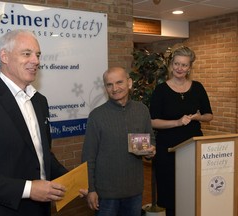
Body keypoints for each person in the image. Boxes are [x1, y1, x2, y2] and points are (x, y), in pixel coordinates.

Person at [0, 29, 86, 216]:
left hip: (41, 210)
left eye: (38, 55)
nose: (36, 61)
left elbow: (42, 155)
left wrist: (72, 181)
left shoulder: (40, 101)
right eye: (27, 54)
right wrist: (28, 189)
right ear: (4, 56)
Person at [82, 67, 156, 216]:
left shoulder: (142, 110)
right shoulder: (96, 116)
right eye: (109, 84)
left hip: (134, 191)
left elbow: (151, 139)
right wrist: (91, 189)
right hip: (106, 194)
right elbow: (88, 157)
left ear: (129, 83)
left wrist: (150, 151)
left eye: (119, 82)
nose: (115, 88)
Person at [149, 46, 213, 216]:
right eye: (177, 64)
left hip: (193, 149)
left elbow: (209, 115)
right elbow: (152, 121)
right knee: (170, 197)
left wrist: (196, 118)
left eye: (184, 65)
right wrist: (177, 122)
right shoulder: (161, 90)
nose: (180, 68)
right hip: (168, 151)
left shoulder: (198, 87)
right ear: (171, 65)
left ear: (190, 68)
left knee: (193, 192)